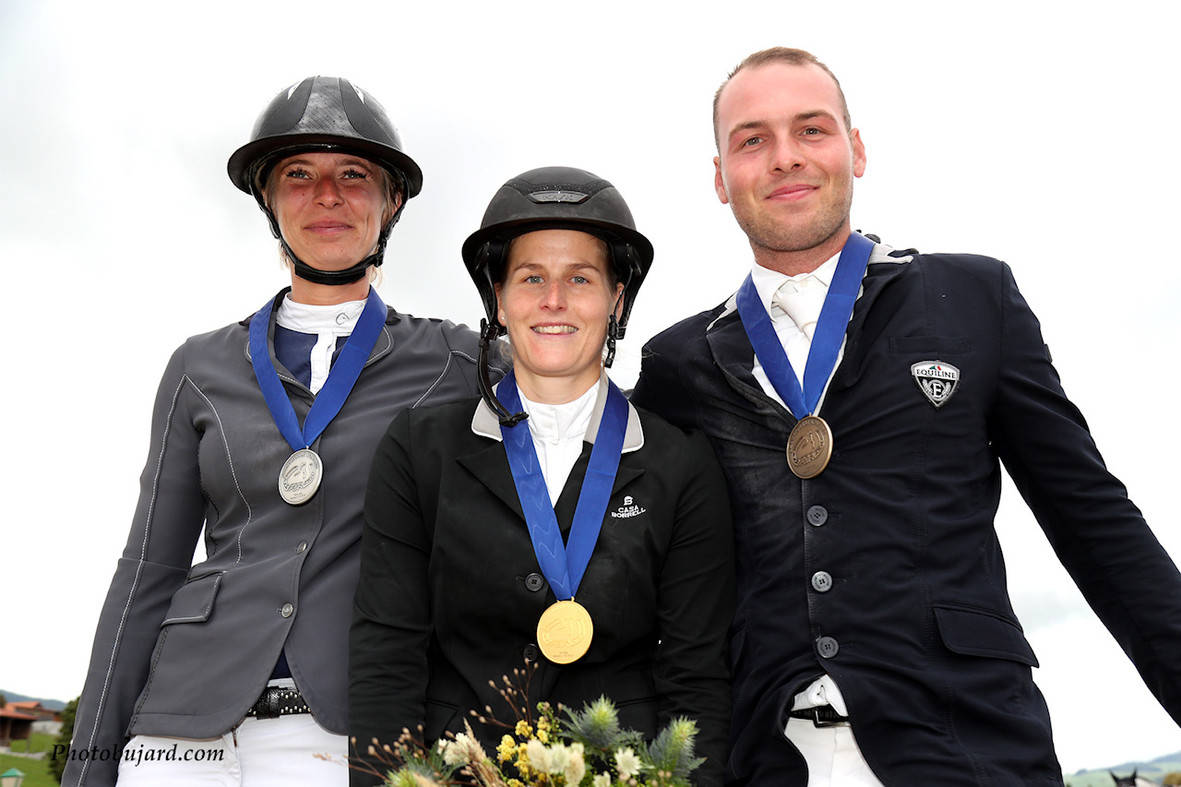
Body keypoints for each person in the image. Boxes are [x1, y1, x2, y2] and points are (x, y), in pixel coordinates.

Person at [631, 47, 1181, 786]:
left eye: (812, 130)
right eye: (751, 140)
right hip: (762, 756)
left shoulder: (973, 297)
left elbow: (1095, 522)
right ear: (720, 178)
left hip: (967, 742)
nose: (785, 157)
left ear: (855, 150)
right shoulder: (676, 365)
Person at [64, 76, 495, 786]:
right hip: (177, 724)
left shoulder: (453, 359)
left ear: (391, 201)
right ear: (269, 198)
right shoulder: (198, 366)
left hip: (340, 730)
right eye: (299, 175)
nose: (326, 194)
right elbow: (148, 572)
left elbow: (572, 400)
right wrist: (89, 768)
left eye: (353, 175)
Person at [350, 166, 735, 786]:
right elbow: (386, 658)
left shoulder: (682, 465)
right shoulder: (417, 450)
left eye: (580, 279)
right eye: (531, 279)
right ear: (498, 299)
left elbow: (697, 680)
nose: (554, 301)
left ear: (615, 300)